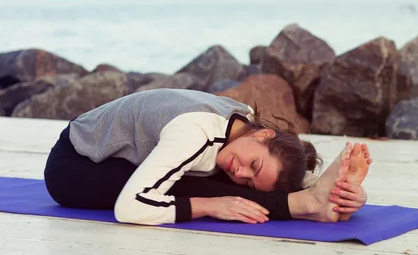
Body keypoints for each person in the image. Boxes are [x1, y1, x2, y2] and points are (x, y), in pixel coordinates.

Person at [43, 88, 372, 225]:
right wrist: (212, 207)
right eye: (252, 165)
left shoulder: (243, 127)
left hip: (126, 154)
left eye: (251, 173)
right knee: (197, 187)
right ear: (263, 134)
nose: (241, 171)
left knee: (240, 179)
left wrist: (350, 195)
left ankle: (316, 201)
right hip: (77, 165)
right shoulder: (194, 135)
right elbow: (129, 208)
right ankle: (307, 206)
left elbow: (273, 168)